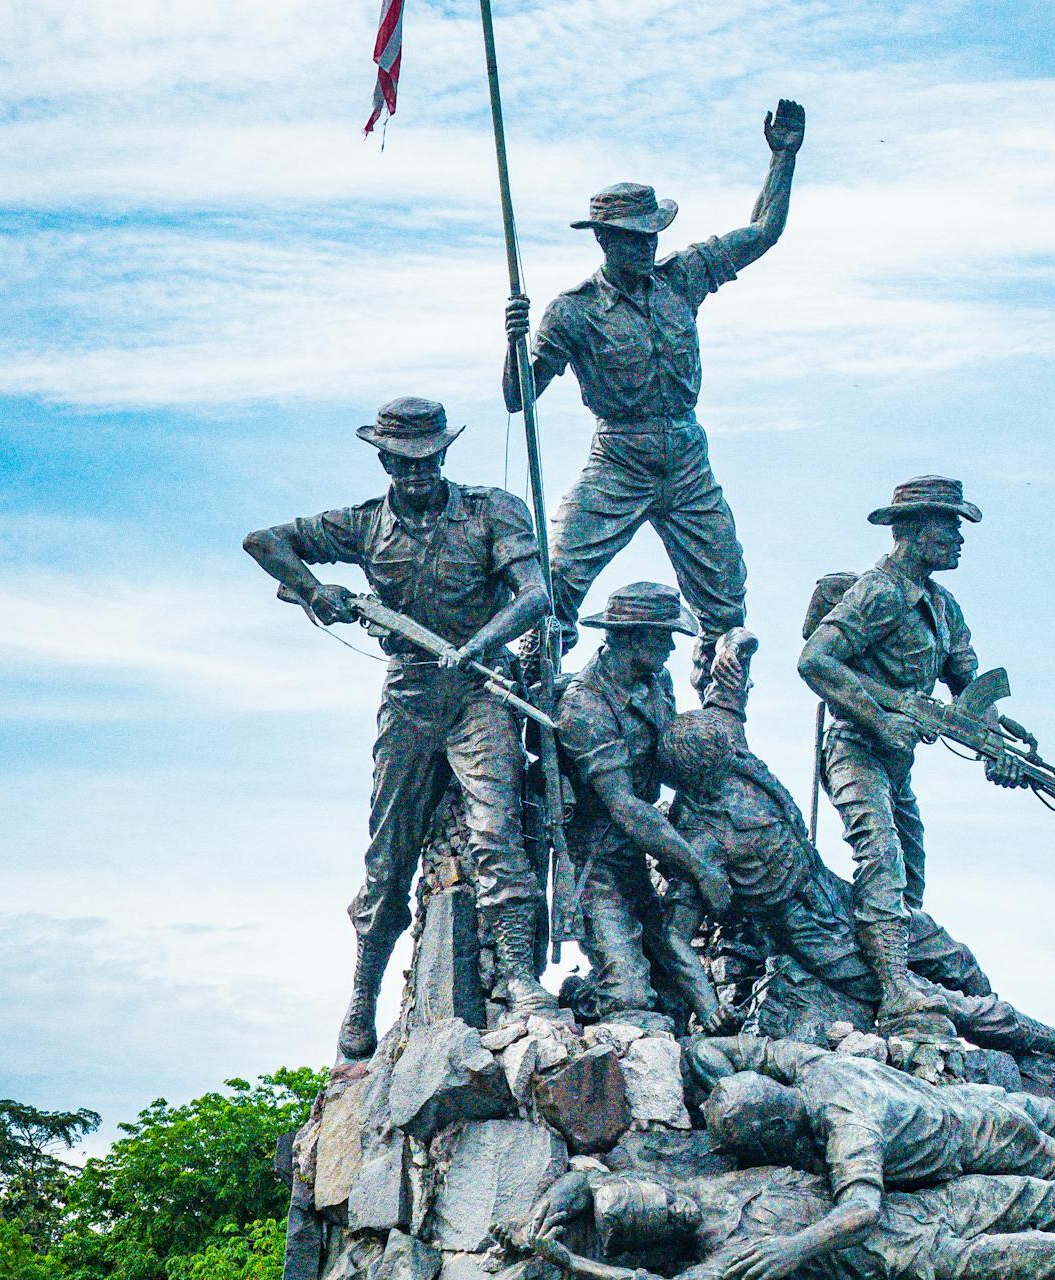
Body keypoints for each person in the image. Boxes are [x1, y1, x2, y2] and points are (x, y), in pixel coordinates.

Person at [657, 631, 1055, 1080]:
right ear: (703, 779)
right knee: (935, 999)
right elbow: (675, 937)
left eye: (732, 754)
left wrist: (738, 646)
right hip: (816, 938)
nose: (738, 764)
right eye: (725, 768)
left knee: (951, 955)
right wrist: (707, 1008)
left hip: (836, 891)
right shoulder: (698, 840)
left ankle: (1027, 1055)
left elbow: (728, 693)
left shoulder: (723, 744)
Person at [243, 397, 555, 1060]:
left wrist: (481, 645)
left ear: (445, 453)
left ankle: (524, 983)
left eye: (428, 458)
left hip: (480, 689)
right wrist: (313, 590)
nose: (416, 472)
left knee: (498, 834)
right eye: (403, 461)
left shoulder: (490, 511)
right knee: (387, 858)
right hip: (410, 694)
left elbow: (535, 595)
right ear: (383, 459)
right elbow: (264, 542)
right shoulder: (361, 526)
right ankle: (361, 998)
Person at [503, 100, 805, 690]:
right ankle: (534, 695)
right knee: (555, 579)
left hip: (688, 456)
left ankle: (719, 723)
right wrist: (513, 345)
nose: (646, 247)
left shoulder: (683, 277)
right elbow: (520, 399)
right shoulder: (574, 311)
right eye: (633, 238)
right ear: (606, 241)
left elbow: (763, 231)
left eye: (652, 236)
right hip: (619, 457)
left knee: (726, 597)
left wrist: (782, 159)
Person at [796, 476, 1033, 1034]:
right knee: (881, 859)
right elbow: (816, 661)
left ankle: (897, 979)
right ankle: (897, 987)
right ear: (914, 531)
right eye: (949, 526)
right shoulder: (879, 593)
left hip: (897, 765)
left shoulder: (944, 607)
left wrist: (997, 746)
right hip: (855, 749)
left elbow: (970, 695)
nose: (958, 538)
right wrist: (880, 716)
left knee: (911, 883)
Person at [684, 1037, 1055, 1230]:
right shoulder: (813, 1067)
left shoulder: (848, 1130)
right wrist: (723, 1088)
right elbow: (713, 1051)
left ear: (775, 1127)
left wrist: (788, 1248)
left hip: (994, 1142)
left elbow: (862, 1211)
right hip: (971, 1100)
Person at [514, 1163, 1055, 1280]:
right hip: (923, 1259)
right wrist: (572, 1262)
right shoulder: (727, 1261)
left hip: (938, 1201)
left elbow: (586, 1174)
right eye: (652, 1217)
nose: (666, 1205)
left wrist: (566, 1197)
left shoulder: (718, 1179)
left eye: (655, 1195)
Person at [556, 582, 736, 1031]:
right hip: (594, 863)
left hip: (640, 853)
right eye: (662, 636)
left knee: (673, 991)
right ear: (629, 636)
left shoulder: (657, 683)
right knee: (630, 994)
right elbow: (625, 807)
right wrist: (700, 868)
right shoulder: (586, 705)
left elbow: (671, 760)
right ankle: (577, 1000)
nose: (672, 646)